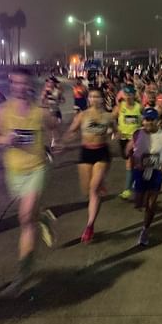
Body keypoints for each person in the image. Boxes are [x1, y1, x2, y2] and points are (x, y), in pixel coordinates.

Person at [0, 67, 58, 296]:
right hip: (14, 173)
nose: (19, 87)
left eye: (24, 83)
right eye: (15, 82)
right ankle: (43, 216)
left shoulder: (39, 112)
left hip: (37, 168)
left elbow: (54, 125)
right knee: (29, 217)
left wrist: (57, 141)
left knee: (25, 218)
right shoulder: (3, 112)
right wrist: (4, 139)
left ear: (30, 85)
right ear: (11, 84)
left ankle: (23, 272)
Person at [58, 87, 113, 244]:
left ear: (102, 99)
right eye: (91, 97)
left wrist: (117, 133)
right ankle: (98, 185)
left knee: (94, 188)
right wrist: (63, 143)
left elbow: (115, 130)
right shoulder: (82, 115)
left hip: (102, 153)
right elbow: (71, 131)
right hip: (86, 153)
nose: (94, 99)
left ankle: (90, 226)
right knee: (87, 191)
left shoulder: (107, 116)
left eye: (97, 97)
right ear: (88, 99)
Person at [125, 108, 162, 246]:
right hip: (139, 172)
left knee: (151, 205)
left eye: (152, 119)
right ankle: (139, 195)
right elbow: (128, 151)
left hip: (156, 172)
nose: (148, 122)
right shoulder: (137, 134)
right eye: (146, 119)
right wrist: (129, 153)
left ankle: (145, 230)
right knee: (138, 202)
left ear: (157, 121)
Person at [112, 85, 142, 200]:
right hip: (123, 139)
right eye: (126, 94)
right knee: (130, 162)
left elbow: (145, 121)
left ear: (134, 95)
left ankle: (128, 189)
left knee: (131, 163)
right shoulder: (120, 107)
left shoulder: (139, 107)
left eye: (131, 94)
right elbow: (111, 118)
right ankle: (132, 184)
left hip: (136, 139)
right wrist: (116, 130)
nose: (128, 97)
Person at [41, 77, 64, 146]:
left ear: (54, 83)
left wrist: (58, 101)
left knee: (57, 126)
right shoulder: (45, 90)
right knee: (52, 127)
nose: (50, 83)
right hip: (50, 111)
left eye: (51, 82)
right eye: (49, 82)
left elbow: (63, 100)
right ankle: (54, 141)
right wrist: (44, 95)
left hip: (56, 110)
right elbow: (42, 100)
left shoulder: (58, 91)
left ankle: (55, 139)